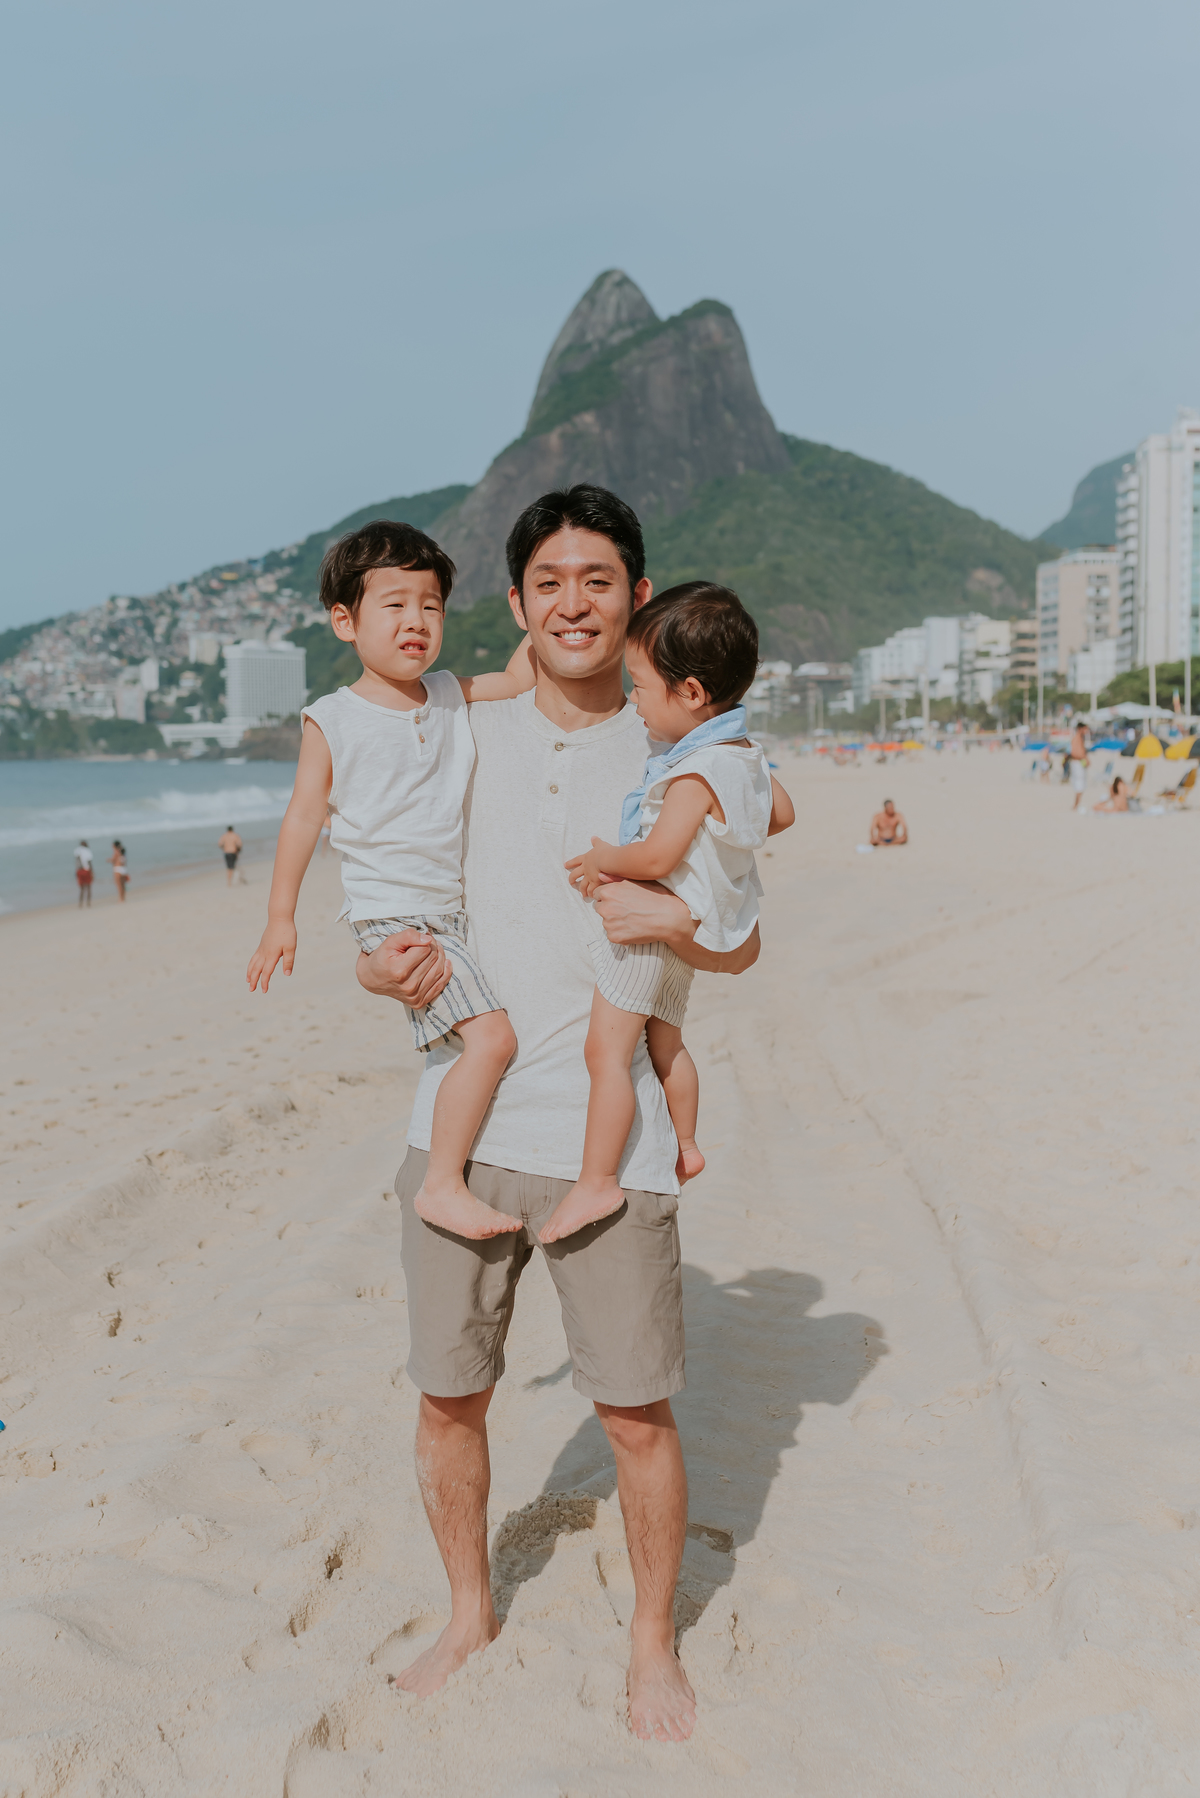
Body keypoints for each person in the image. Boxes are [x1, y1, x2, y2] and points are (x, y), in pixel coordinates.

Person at [355, 484, 759, 1742]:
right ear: (518, 600)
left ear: (637, 593)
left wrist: (678, 920)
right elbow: (380, 875)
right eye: (548, 582)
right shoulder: (456, 727)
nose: (573, 603)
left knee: (635, 1413)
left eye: (597, 580)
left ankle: (652, 1644)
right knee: (448, 1397)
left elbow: (743, 938)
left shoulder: (681, 733)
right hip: (461, 1124)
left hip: (613, 1135)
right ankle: (469, 1611)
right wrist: (378, 968)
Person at [247, 520, 538, 1242]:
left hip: (449, 910)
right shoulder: (333, 719)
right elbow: (303, 817)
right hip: (397, 916)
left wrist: (537, 613)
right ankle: (441, 1184)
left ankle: (457, 1167)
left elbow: (519, 680)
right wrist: (280, 917)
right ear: (345, 621)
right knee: (492, 1039)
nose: (417, 621)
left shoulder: (447, 693)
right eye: (395, 605)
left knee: (468, 1044)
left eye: (431, 606)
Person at [553, 582, 794, 1242]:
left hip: (651, 926)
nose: (633, 699)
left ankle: (596, 1180)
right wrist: (723, 834)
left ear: (689, 693)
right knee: (667, 1044)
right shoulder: (741, 756)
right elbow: (780, 813)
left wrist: (606, 857)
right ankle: (685, 1143)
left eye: (640, 686)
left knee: (606, 1053)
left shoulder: (693, 773)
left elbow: (657, 855)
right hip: (698, 923)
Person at [1068, 719, 1089, 809]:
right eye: (1085, 729)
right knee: (1079, 784)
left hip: (1079, 763)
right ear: (1080, 729)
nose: (1086, 731)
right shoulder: (1077, 738)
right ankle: (1076, 805)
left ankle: (1077, 804)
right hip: (1077, 763)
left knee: (1081, 784)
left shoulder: (1080, 738)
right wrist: (1084, 758)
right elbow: (1075, 752)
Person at [74, 840, 94, 907]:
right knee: (88, 887)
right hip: (86, 870)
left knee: (82, 889)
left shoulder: (77, 851)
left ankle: (80, 903)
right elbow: (89, 863)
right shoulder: (88, 851)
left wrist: (76, 872)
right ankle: (88, 902)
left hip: (79, 870)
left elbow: (77, 862)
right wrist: (92, 872)